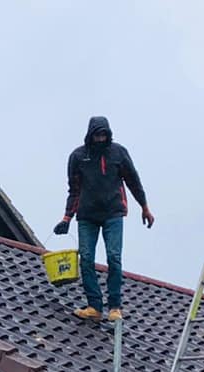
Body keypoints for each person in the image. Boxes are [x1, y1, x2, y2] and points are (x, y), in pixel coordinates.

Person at [54, 116, 153, 322]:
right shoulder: (78, 157)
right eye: (97, 135)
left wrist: (144, 207)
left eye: (103, 135)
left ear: (108, 134)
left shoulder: (118, 153)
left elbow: (133, 181)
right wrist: (66, 218)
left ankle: (115, 307)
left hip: (113, 213)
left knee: (114, 257)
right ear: (90, 135)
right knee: (87, 258)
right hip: (87, 216)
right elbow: (74, 190)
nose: (100, 139)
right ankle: (94, 307)